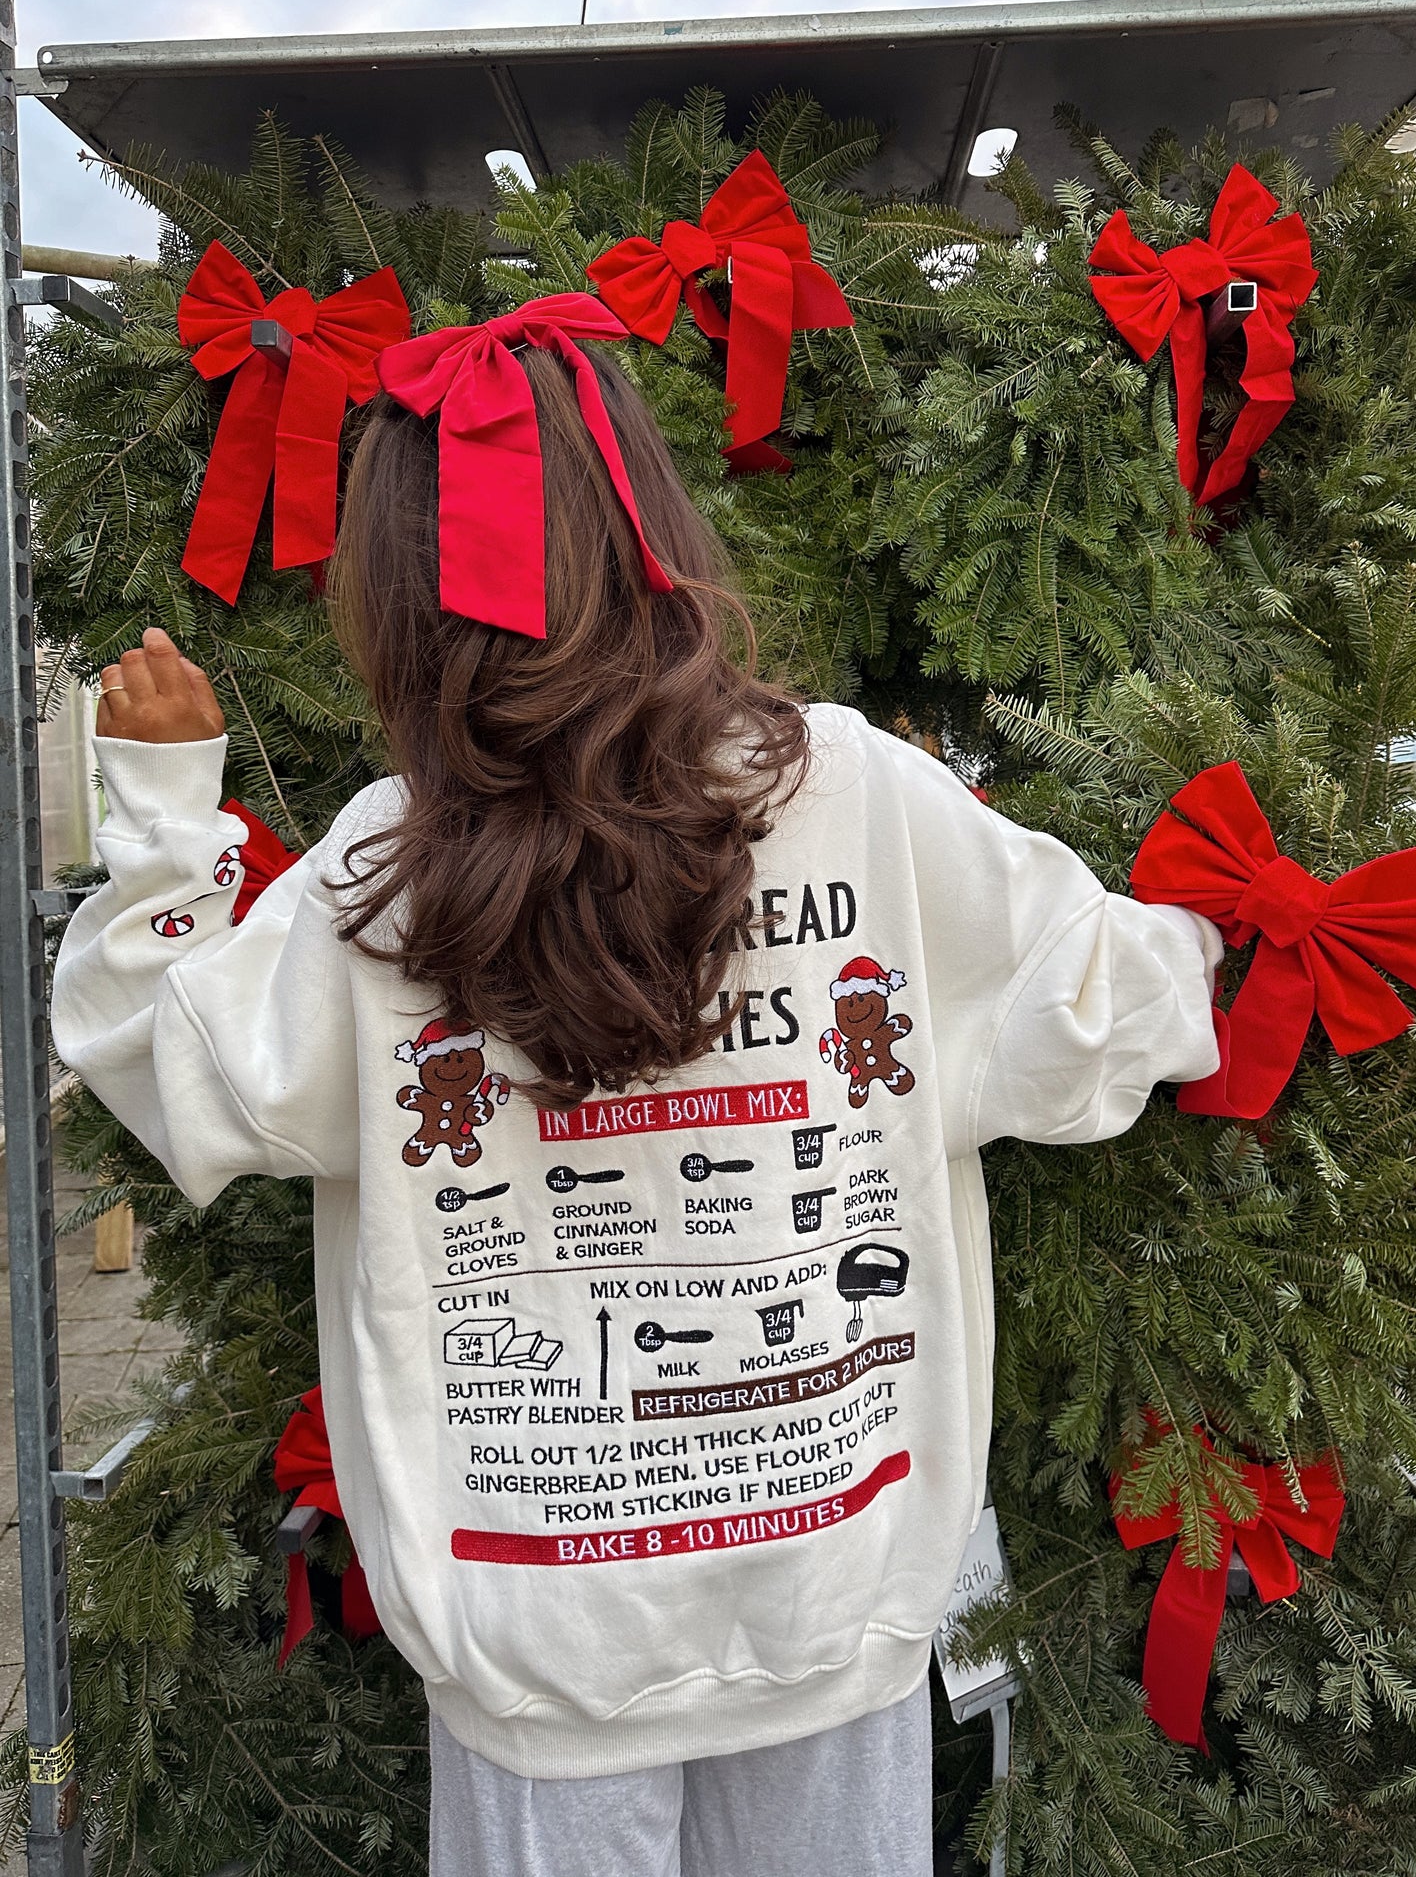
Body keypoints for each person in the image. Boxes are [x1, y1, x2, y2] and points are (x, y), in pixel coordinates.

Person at [52, 294, 1222, 1877]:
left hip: (538, 1608)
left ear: (395, 594)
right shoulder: (855, 796)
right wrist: (1216, 914)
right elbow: (1104, 1014)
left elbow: (175, 1071)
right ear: (646, 523)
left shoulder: (388, 872)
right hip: (828, 1573)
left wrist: (167, 822)